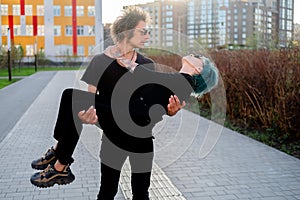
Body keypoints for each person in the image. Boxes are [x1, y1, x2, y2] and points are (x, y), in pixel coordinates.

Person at [30, 6, 218, 200]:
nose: (148, 35)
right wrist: (86, 118)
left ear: (197, 70)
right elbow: (91, 101)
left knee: (140, 194)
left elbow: (152, 100)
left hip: (139, 134)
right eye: (143, 31)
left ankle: (60, 160)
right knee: (107, 191)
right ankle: (59, 156)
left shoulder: (150, 66)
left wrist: (170, 111)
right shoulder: (100, 61)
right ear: (127, 31)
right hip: (112, 133)